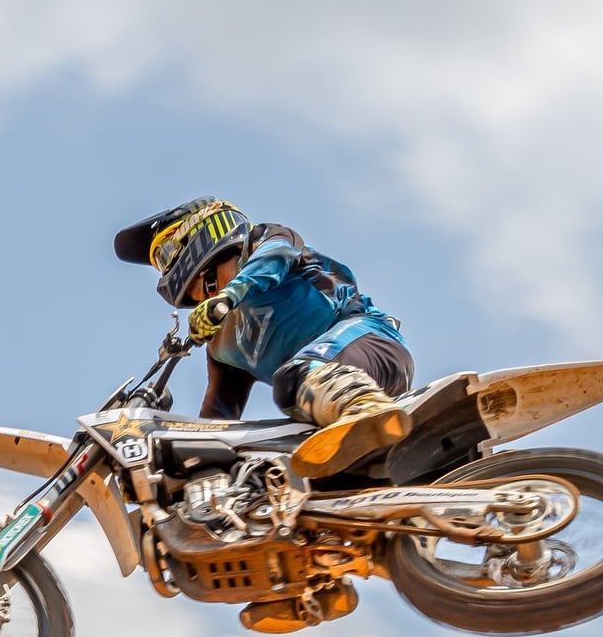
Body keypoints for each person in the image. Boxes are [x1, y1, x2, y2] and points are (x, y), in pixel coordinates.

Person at [113, 197, 416, 479]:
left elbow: (274, 259)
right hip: (325, 412)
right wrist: (174, 471)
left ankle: (366, 409)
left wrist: (228, 298)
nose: (212, 298)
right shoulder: (224, 346)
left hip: (372, 343)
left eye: (209, 285)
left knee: (293, 378)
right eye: (203, 299)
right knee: (284, 471)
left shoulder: (268, 241)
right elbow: (214, 428)